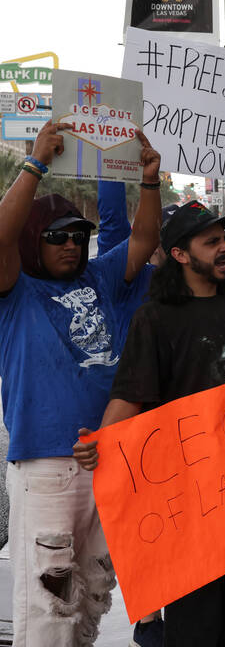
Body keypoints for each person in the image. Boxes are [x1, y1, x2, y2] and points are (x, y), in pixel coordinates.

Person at [73, 200, 225, 646]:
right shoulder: (155, 318)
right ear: (180, 255)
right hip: (190, 509)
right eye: (212, 242)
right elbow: (130, 394)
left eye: (224, 238)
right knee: (197, 626)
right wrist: (99, 443)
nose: (224, 248)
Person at [0, 122, 161, 646]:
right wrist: (34, 165)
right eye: (57, 237)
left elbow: (143, 239)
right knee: (51, 600)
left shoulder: (99, 278)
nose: (72, 245)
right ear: (33, 242)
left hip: (110, 457)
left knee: (94, 588)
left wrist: (151, 181)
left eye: (79, 236)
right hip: (48, 464)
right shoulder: (14, 291)